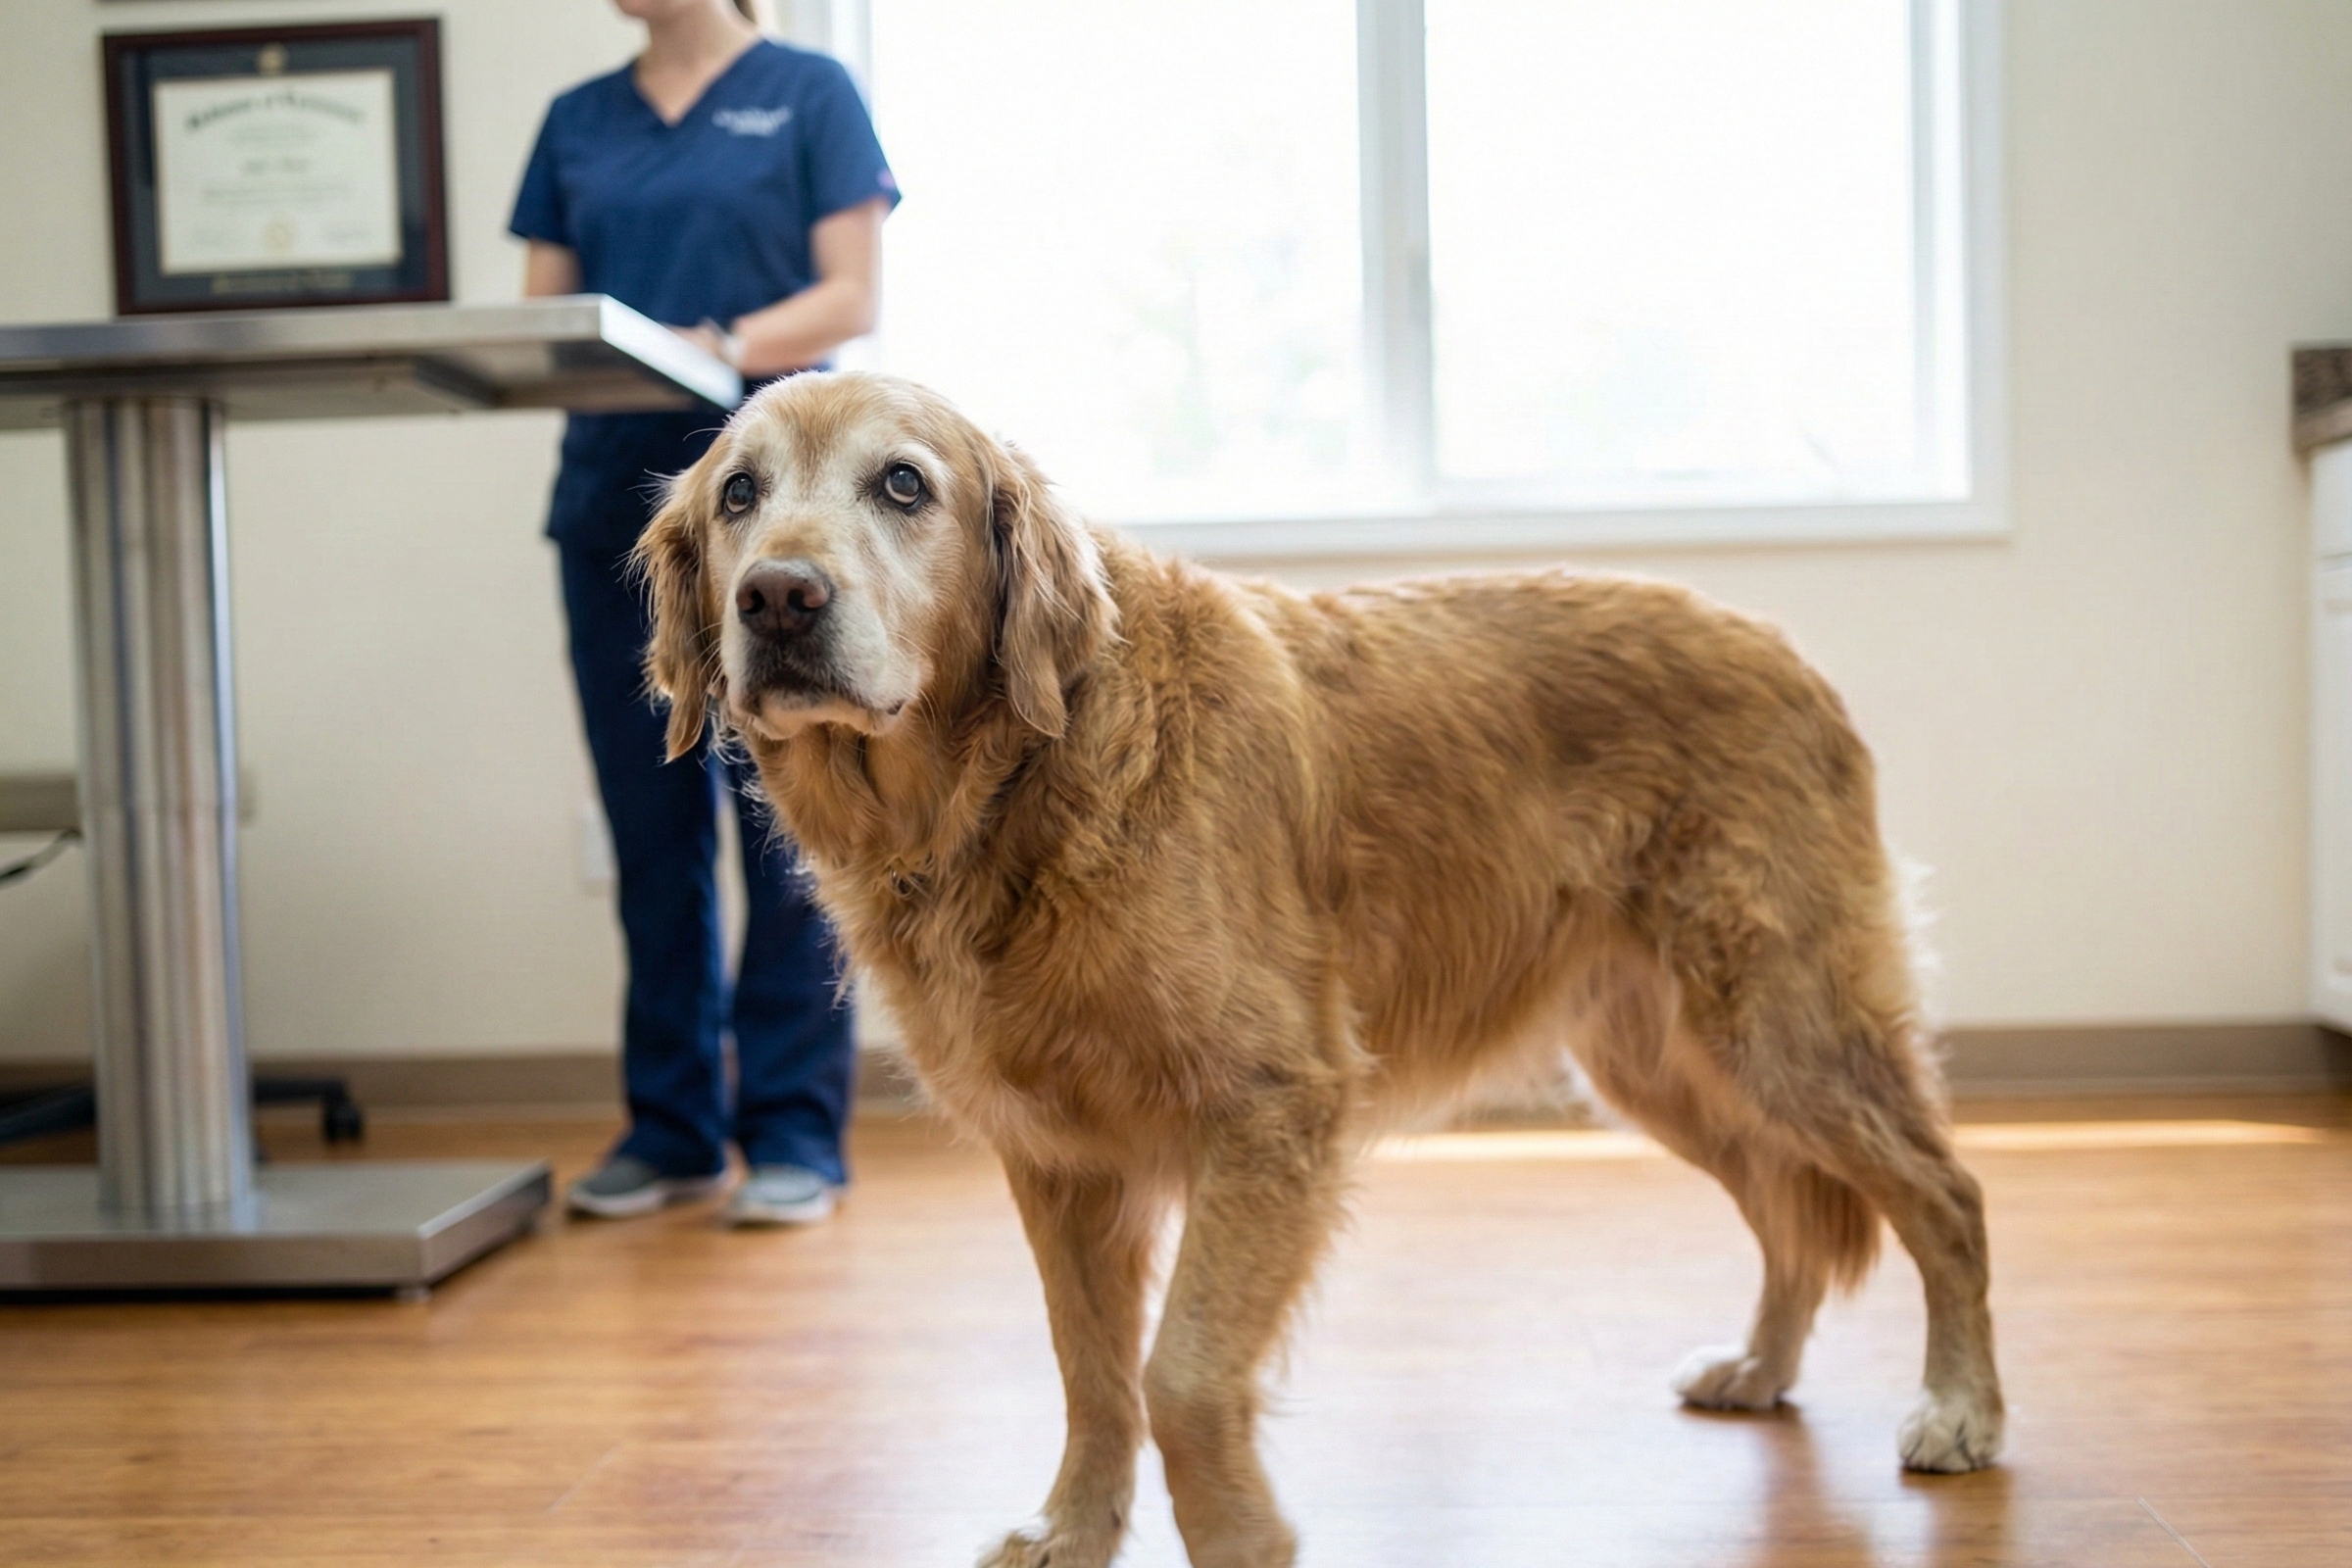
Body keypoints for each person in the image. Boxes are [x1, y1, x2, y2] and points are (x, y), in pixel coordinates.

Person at [509, 0, 898, 1226]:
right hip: (614, 519)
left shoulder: (810, 93)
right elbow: (547, 322)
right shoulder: (577, 120)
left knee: (795, 828)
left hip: (784, 519)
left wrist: (707, 347)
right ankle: (671, 1128)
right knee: (648, 830)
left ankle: (792, 1131)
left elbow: (848, 296)